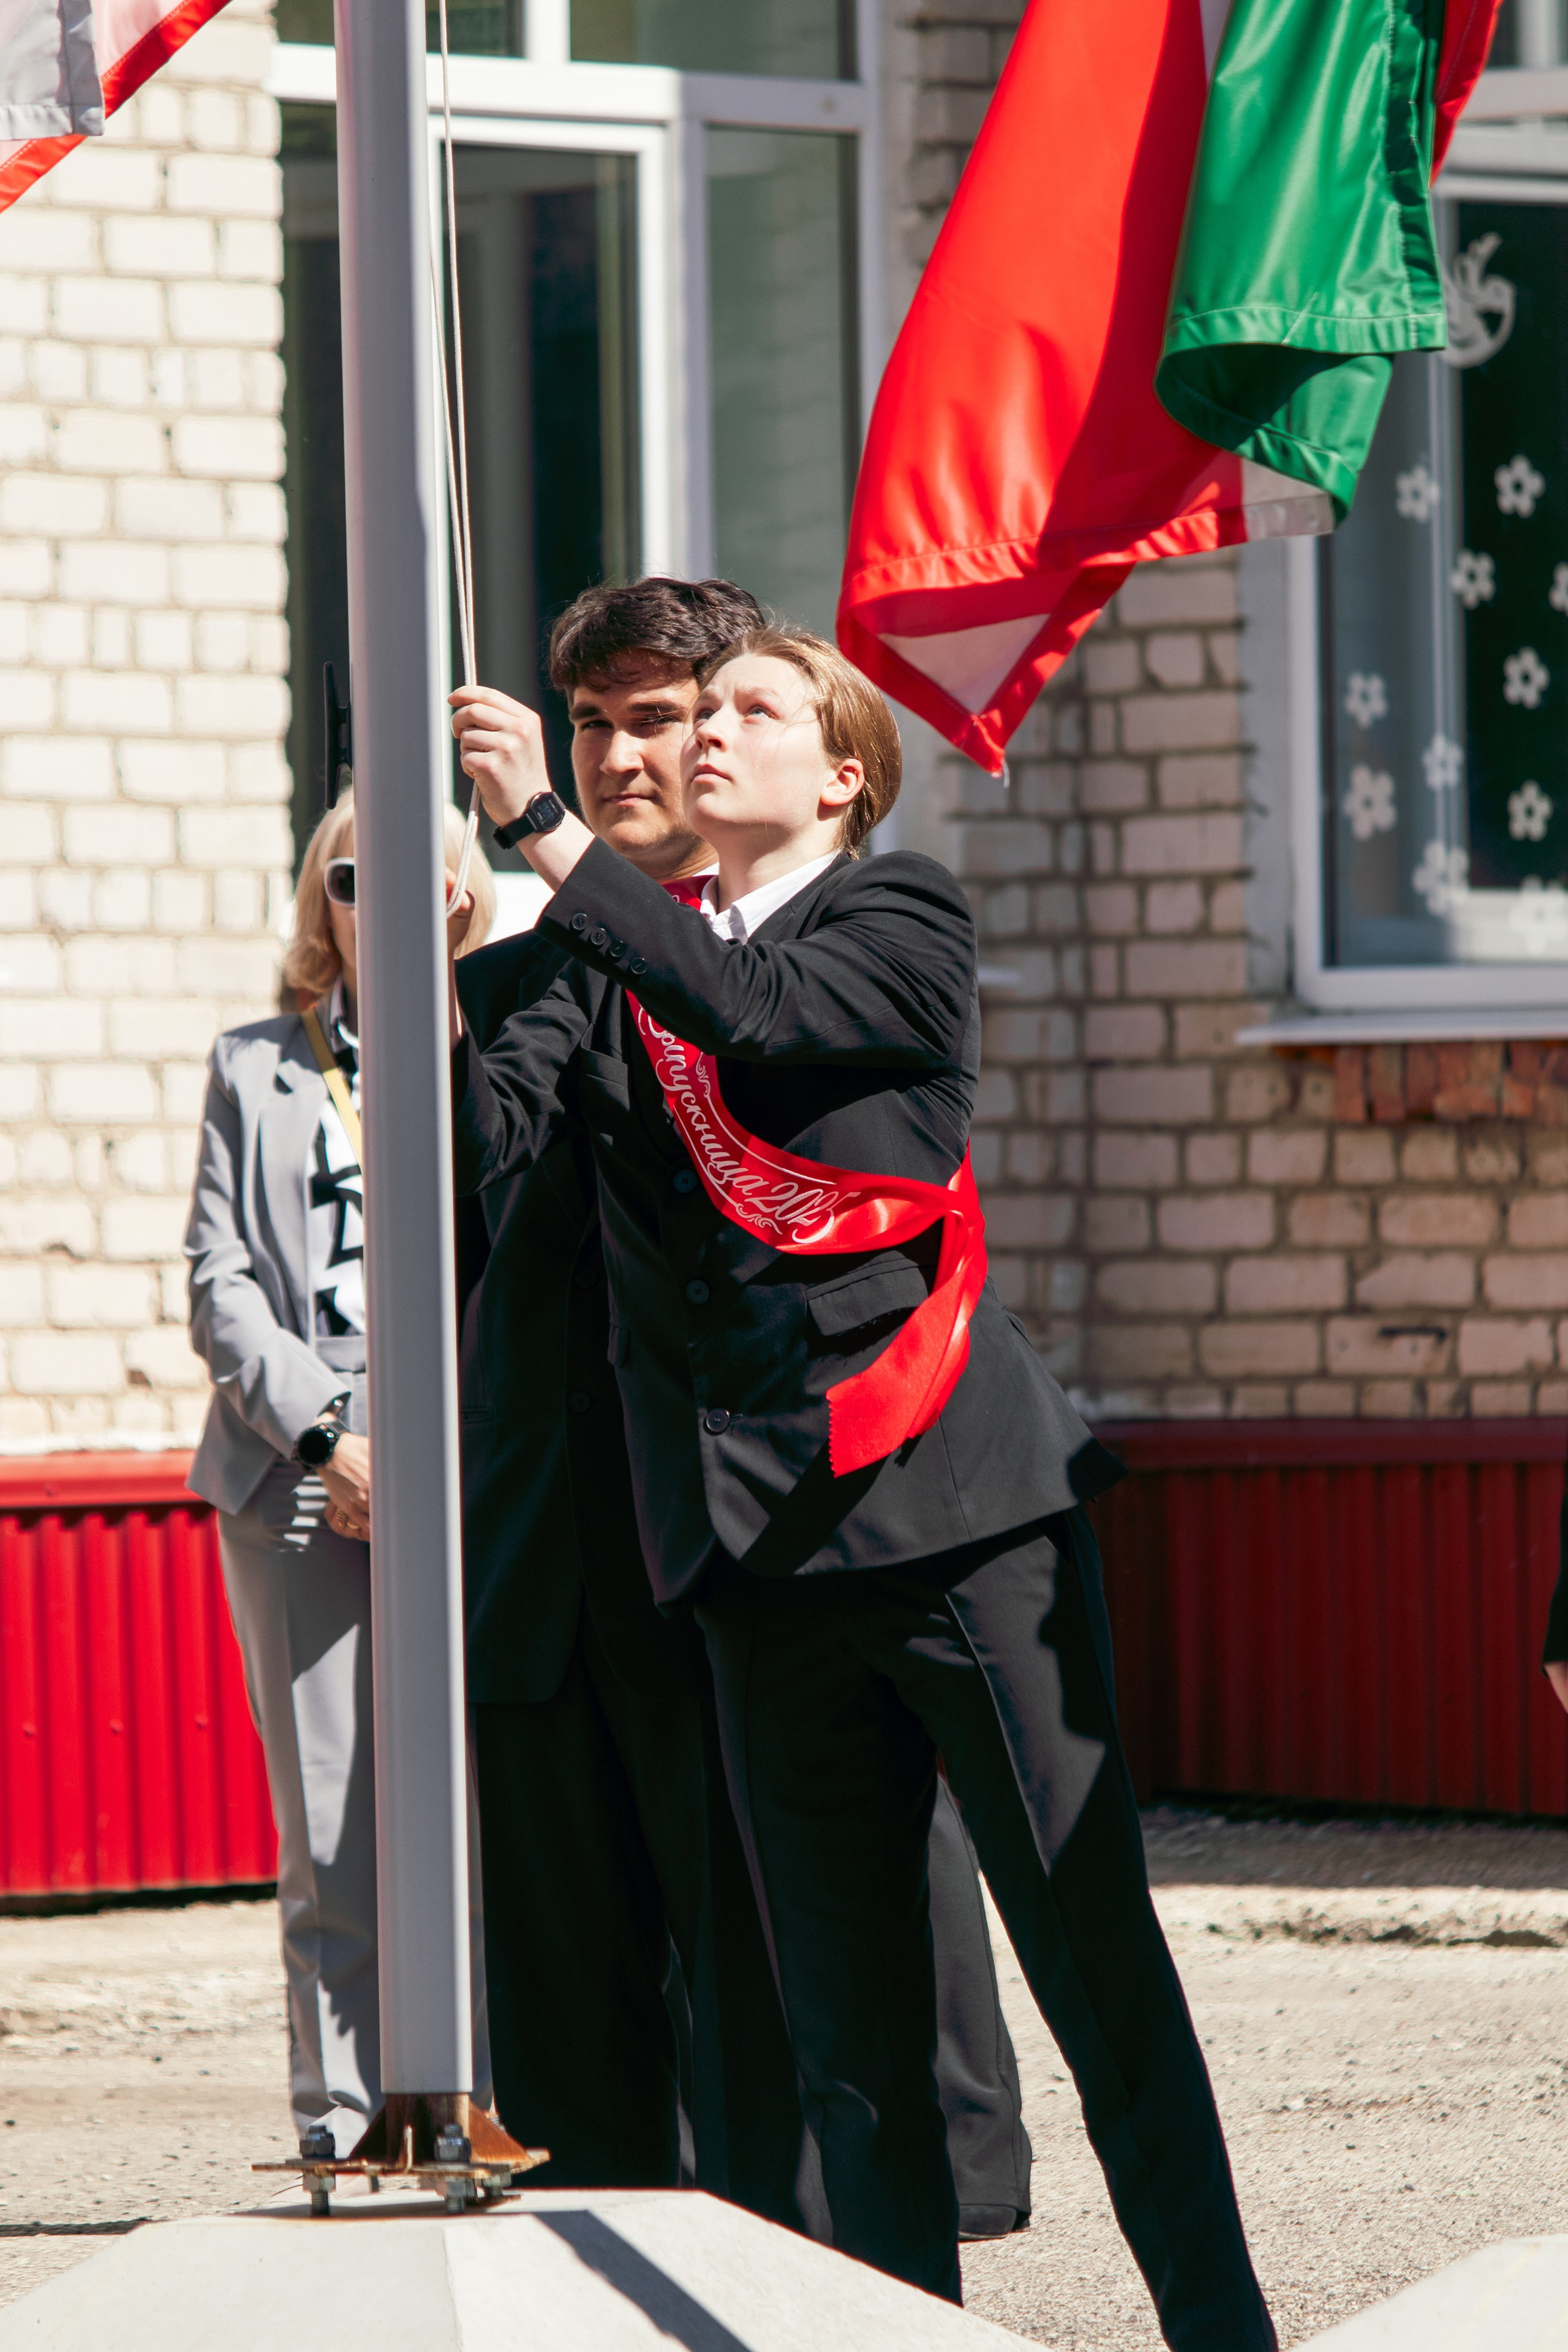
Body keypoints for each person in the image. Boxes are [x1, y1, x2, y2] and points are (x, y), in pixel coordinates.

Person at [446, 627, 1275, 2347]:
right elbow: (491, 1180)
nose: (702, 739)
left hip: (953, 1521)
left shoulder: (896, 918)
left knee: (1092, 1970)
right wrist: (424, 979)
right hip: (754, 1562)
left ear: (838, 775)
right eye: (699, 716)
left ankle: (1222, 2330)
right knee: (851, 2042)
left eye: (753, 711)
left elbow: (749, 1010)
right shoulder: (602, 969)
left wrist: (549, 831)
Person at [456, 575, 1030, 2234]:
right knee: (572, 2027)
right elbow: (473, 1228)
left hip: (740, 1544)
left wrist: (556, 848)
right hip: (549, 1558)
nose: (632, 752)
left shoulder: (815, 957)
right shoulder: (513, 983)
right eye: (595, 723)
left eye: (666, 718)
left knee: (787, 1997)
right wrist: (408, 1004)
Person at [184, 793, 495, 2158]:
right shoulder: (254, 1063)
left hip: (483, 1454)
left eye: (414, 875)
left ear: (461, 897)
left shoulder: (500, 1045)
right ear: (325, 903)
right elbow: (220, 1286)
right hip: (298, 1463)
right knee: (332, 1812)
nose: (382, 898)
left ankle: (482, 2099)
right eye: (352, 875)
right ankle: (346, 2126)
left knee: (497, 1796)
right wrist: (325, 1437)